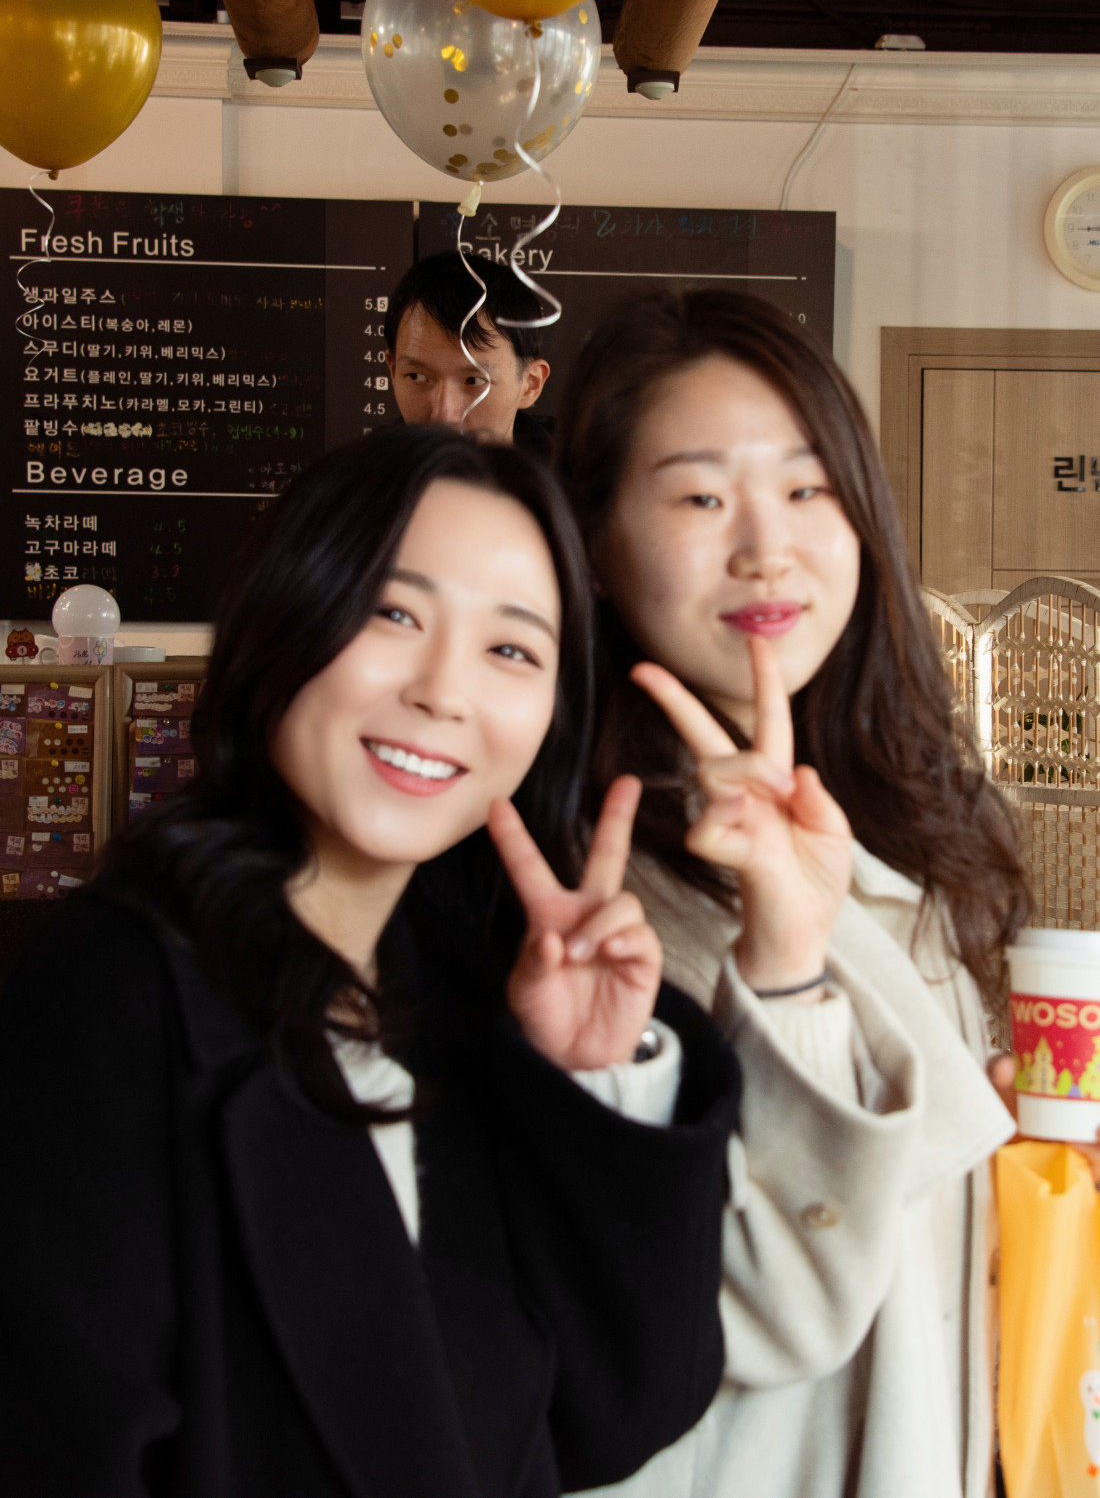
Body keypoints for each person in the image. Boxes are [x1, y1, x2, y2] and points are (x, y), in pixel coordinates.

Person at [0, 427, 741, 1498]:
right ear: (286, 612)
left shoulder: (461, 997)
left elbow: (610, 1413)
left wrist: (592, 1076)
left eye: (511, 650)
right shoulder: (105, 998)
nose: (443, 691)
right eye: (393, 613)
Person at [554, 289, 1029, 1498]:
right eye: (699, 497)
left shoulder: (920, 821)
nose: (765, 547)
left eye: (808, 487)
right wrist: (782, 965)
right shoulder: (587, 897)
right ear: (594, 545)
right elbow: (747, 1314)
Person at [384, 251, 551, 449]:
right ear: (392, 370)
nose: (443, 417)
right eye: (417, 377)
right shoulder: (359, 467)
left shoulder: (573, 467)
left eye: (474, 381)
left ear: (530, 385)